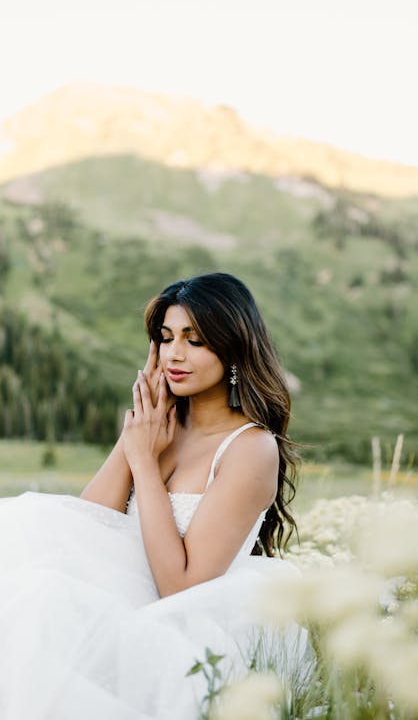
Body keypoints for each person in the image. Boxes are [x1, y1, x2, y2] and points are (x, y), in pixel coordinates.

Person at [0, 272, 308, 720]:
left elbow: (181, 589)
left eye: (196, 340)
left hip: (182, 627)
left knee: (44, 602)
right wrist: (136, 434)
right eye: (166, 339)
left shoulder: (249, 448)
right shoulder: (157, 426)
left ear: (233, 348)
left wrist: (144, 462)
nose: (175, 354)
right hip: (117, 597)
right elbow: (83, 525)